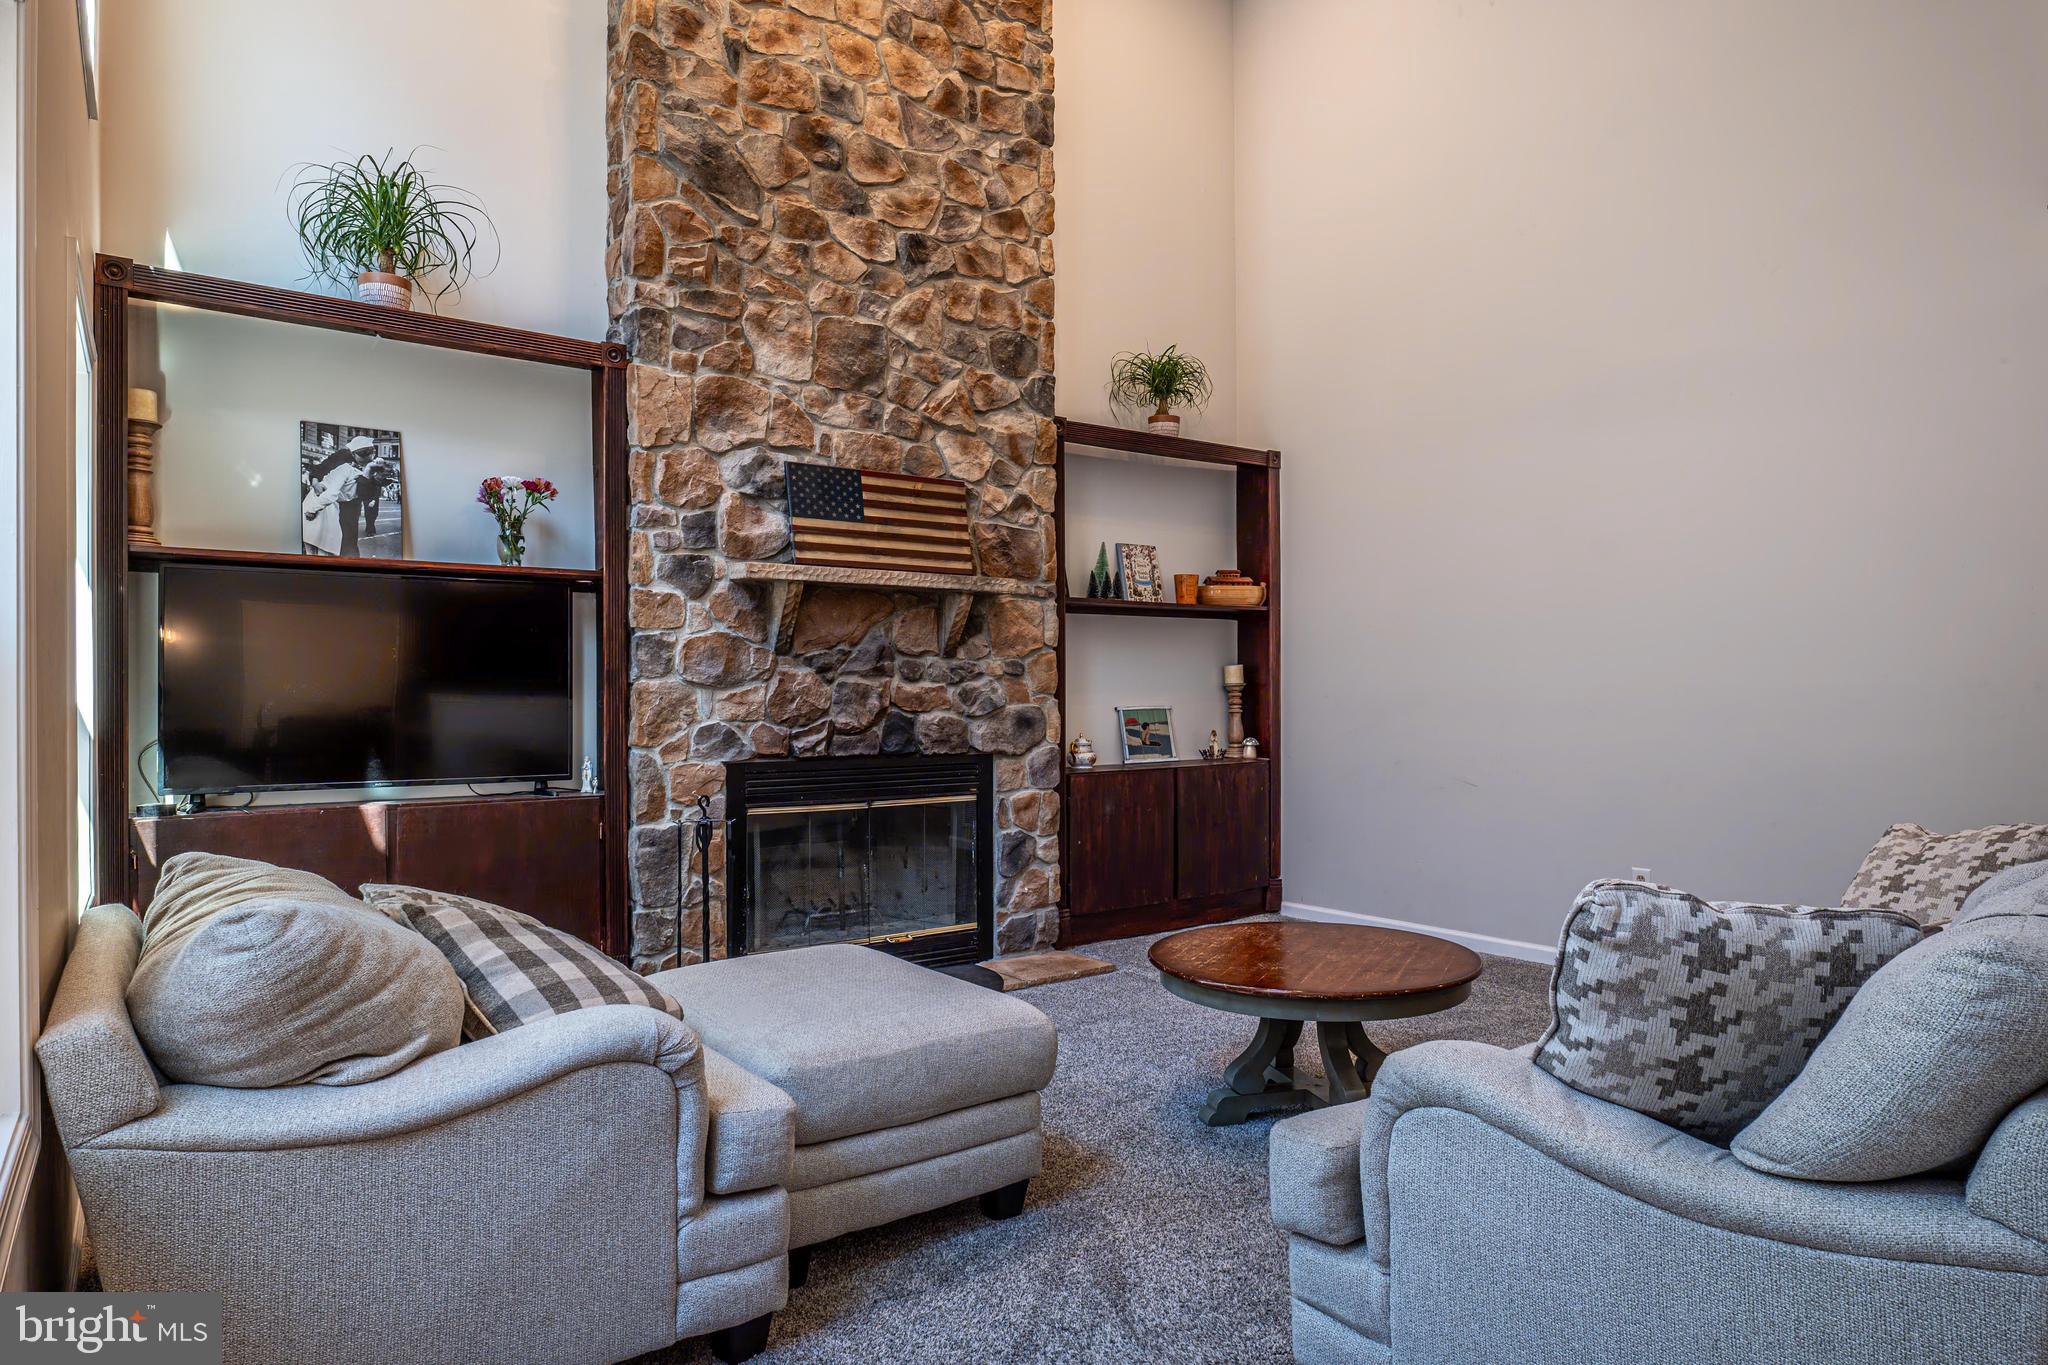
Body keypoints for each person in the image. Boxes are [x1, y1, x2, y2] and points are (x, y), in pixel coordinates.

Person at [301, 448, 358, 556]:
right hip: (322, 501)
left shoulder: (350, 469)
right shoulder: (344, 464)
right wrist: (315, 482)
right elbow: (318, 470)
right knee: (318, 542)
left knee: (320, 543)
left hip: (331, 504)